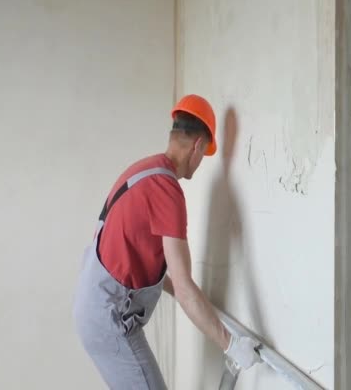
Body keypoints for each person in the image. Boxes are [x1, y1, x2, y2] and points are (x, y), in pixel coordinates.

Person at [72, 94, 261, 389]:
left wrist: (182, 292)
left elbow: (139, 257)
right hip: (111, 318)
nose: (199, 163)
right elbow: (186, 288)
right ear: (198, 145)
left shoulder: (144, 170)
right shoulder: (166, 191)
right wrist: (231, 344)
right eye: (203, 154)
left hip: (94, 305)